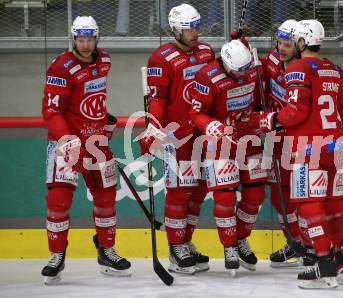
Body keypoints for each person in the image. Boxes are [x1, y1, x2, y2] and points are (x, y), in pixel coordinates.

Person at [250, 19, 343, 289]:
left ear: (303, 42)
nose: (292, 44)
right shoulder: (335, 69)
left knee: (309, 203)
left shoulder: (298, 69)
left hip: (309, 147)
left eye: (295, 40)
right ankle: (342, 263)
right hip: (336, 145)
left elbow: (295, 112)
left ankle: (323, 266)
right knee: (334, 204)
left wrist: (269, 120)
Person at [40, 16, 131, 285]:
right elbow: (51, 110)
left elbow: (94, 101)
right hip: (65, 143)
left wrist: (105, 122)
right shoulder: (61, 67)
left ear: (97, 37)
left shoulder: (104, 61)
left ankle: (107, 251)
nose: (85, 44)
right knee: (58, 200)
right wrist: (67, 137)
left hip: (96, 144)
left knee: (106, 197)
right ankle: (57, 255)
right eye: (80, 39)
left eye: (90, 38)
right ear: (73, 39)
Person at [138, 3, 215, 275]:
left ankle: (185, 241)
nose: (195, 33)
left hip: (203, 134)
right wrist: (153, 128)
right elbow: (157, 100)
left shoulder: (206, 51)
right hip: (177, 136)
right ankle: (175, 248)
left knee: (200, 190)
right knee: (180, 191)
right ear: (175, 30)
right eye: (189, 28)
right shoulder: (162, 58)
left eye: (197, 27)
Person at [189, 39, 267, 275]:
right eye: (238, 71)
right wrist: (212, 126)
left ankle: (241, 239)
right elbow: (195, 112)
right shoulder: (207, 76)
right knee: (224, 198)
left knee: (256, 193)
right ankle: (229, 246)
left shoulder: (252, 68)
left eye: (247, 69)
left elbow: (259, 99)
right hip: (219, 142)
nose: (243, 75)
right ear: (224, 62)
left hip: (249, 137)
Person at [261, 19, 309, 269]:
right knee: (278, 198)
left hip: (298, 140)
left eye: (287, 44)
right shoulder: (271, 60)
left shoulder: (305, 69)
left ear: (299, 44)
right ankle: (293, 242)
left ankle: (308, 244)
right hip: (273, 138)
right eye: (279, 42)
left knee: (301, 195)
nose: (281, 48)